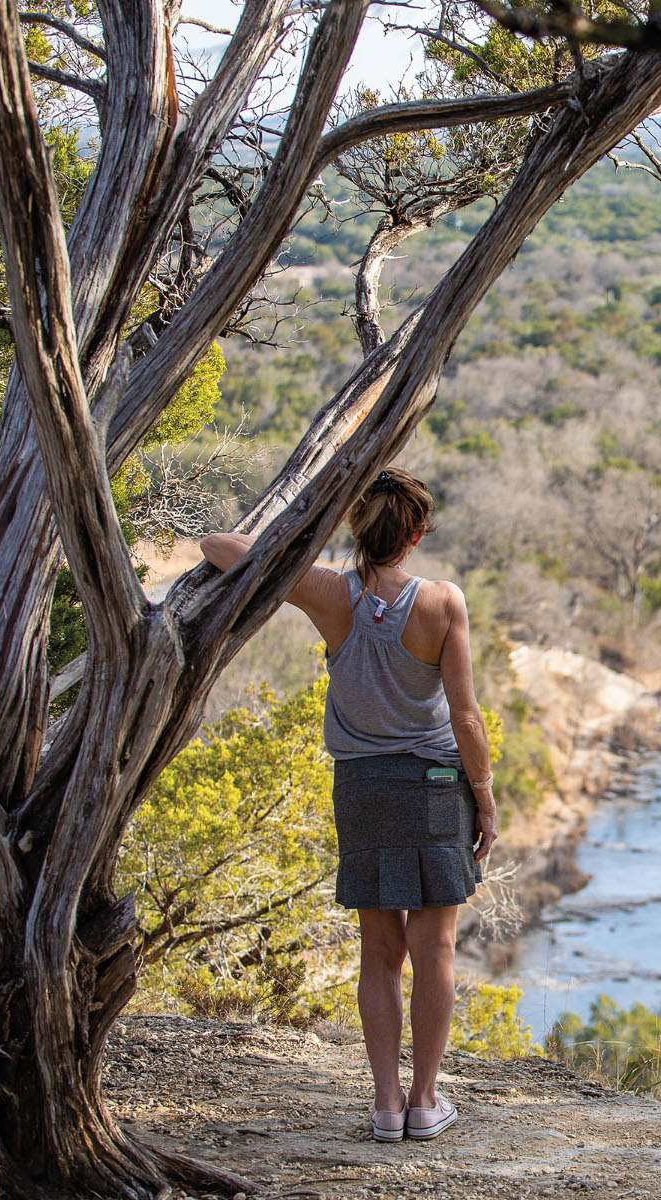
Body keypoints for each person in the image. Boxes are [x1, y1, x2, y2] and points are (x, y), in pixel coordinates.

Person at [201, 466, 497, 1144]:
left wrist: (297, 542)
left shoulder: (329, 592)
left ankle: (386, 1106)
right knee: (436, 947)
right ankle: (425, 1102)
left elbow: (217, 547)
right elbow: (467, 716)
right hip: (432, 790)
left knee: (378, 952)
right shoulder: (442, 602)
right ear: (417, 534)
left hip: (361, 790)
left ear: (355, 527)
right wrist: (483, 796)